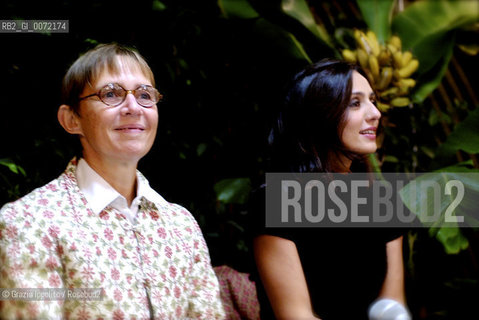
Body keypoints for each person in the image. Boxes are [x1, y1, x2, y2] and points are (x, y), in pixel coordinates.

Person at [0, 43, 225, 319]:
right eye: (111, 94)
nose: (133, 107)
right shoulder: (30, 221)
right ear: (72, 120)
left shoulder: (181, 225)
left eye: (145, 95)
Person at [252, 59, 410, 319]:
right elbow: (296, 315)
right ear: (320, 116)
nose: (375, 113)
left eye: (373, 100)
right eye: (355, 103)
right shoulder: (274, 200)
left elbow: (392, 307)